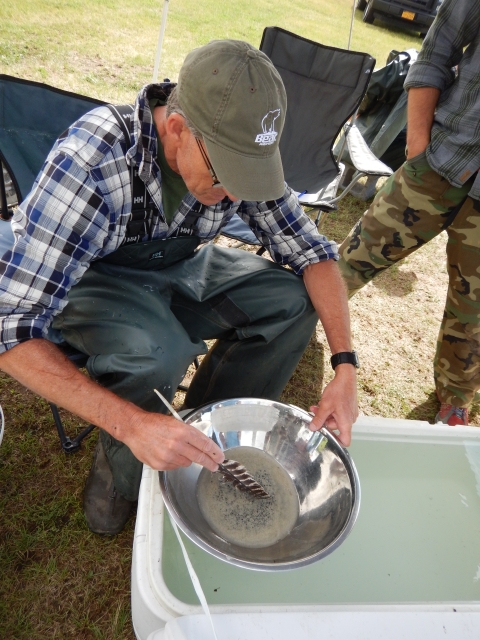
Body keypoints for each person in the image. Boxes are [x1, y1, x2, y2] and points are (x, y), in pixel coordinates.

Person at [0, 40, 358, 535]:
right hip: (91, 280)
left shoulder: (231, 156)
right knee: (154, 355)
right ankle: (123, 474)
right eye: (226, 177)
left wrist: (346, 365)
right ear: (177, 129)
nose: (237, 194)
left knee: (291, 301)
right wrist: (131, 424)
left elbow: (313, 253)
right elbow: (13, 326)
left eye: (249, 177)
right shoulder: (93, 160)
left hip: (180, 267)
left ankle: (210, 440)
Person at [338, 0, 480, 428]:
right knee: (351, 261)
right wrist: (417, 146)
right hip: (441, 161)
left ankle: (455, 399)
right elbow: (438, 51)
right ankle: (285, 338)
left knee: (473, 308)